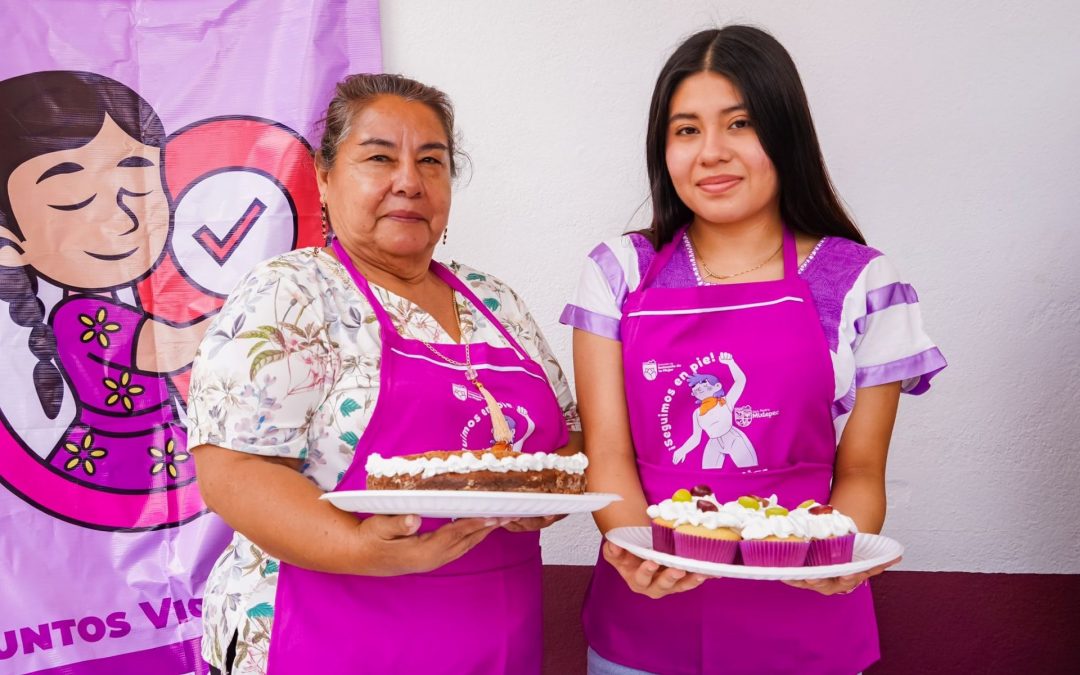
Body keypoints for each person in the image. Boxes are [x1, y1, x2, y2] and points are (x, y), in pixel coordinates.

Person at [561, 26, 946, 674]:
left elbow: (859, 475)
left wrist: (837, 552)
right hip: (646, 621)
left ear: (784, 132)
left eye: (738, 123)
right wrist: (637, 547)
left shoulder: (864, 283)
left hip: (805, 621)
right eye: (686, 130)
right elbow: (608, 452)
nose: (710, 152)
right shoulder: (621, 272)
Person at [188, 73, 581, 675]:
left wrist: (544, 498)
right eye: (379, 157)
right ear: (324, 177)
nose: (409, 181)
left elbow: (568, 438)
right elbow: (232, 469)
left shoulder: (493, 301)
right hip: (326, 632)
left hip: (495, 638)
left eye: (432, 161)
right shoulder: (289, 294)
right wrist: (358, 548)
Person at [0, 70, 212, 491]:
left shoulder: (119, 300)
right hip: (121, 460)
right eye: (73, 199)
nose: (122, 217)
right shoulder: (81, 316)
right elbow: (170, 348)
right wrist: (257, 311)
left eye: (135, 178)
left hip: (159, 451)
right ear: (13, 243)